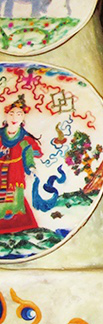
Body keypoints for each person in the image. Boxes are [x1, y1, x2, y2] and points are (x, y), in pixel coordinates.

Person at [0, 95, 42, 232]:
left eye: (19, 114)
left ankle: (18, 227)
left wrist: (31, 167)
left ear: (23, 118)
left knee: (15, 198)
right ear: (6, 116)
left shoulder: (24, 138)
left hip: (15, 171)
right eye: (11, 114)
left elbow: (28, 155)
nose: (14, 117)